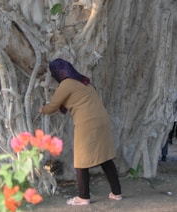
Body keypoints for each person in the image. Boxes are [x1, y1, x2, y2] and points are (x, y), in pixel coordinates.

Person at [39, 58, 122, 206]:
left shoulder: (66, 84)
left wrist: (42, 109)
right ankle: (116, 193)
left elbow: (52, 107)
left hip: (87, 123)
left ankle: (83, 197)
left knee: (81, 160)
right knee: (105, 157)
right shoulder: (83, 82)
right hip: (102, 120)